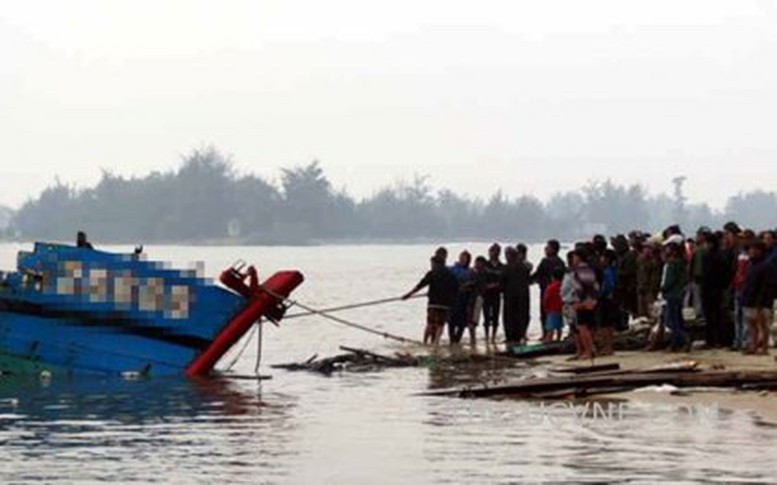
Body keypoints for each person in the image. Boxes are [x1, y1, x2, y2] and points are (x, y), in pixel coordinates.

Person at [402, 255, 459, 345]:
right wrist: (452, 303)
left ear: (436, 264)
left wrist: (409, 294)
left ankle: (425, 342)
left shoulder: (432, 273)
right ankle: (436, 342)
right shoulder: (450, 274)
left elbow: (420, 285)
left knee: (430, 323)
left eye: (432, 263)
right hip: (445, 304)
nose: (431, 265)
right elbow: (456, 289)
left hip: (433, 303)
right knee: (440, 325)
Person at [741, 240, 773, 355]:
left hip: (761, 302)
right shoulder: (751, 265)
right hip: (749, 299)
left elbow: (766, 286)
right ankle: (753, 346)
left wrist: (760, 302)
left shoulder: (766, 266)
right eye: (750, 249)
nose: (751, 251)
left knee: (763, 325)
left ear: (761, 251)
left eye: (754, 249)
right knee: (751, 326)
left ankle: (764, 348)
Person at [531, 239, 566, 341]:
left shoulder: (545, 261)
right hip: (559, 290)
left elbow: (537, 274)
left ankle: (546, 334)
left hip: (547, 289)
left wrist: (527, 280)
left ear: (553, 249)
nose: (545, 249)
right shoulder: (561, 262)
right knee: (558, 313)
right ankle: (557, 335)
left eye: (548, 247)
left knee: (545, 312)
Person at [661, 241, 689, 352]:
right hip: (679, 293)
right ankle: (676, 343)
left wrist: (663, 288)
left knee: (671, 321)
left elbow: (669, 281)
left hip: (672, 294)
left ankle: (683, 340)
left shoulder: (672, 264)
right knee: (677, 319)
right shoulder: (681, 262)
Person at [571, 249, 598, 360]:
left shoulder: (581, 270)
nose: (573, 260)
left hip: (584, 302)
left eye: (574, 257)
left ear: (578, 257)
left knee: (583, 327)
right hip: (589, 301)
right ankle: (591, 348)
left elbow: (582, 288)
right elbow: (595, 287)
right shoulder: (588, 270)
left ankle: (588, 351)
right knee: (587, 327)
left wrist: (581, 302)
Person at [501, 246, 530, 345]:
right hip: (522, 295)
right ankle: (520, 335)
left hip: (510, 295)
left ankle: (510, 337)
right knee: (520, 315)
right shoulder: (523, 267)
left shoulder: (507, 267)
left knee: (509, 316)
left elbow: (502, 281)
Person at [448, 250, 473, 344]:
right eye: (461, 257)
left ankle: (457, 340)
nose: (462, 259)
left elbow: (472, 282)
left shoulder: (470, 271)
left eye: (464, 258)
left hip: (464, 298)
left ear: (468, 260)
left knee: (462, 321)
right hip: (454, 297)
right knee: (452, 320)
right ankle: (451, 339)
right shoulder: (453, 269)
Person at [482, 243, 504, 344]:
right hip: (486, 294)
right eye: (491, 251)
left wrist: (497, 286)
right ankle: (486, 336)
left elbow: (503, 281)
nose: (492, 253)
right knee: (486, 315)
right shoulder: (485, 265)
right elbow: (481, 278)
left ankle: (493, 337)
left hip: (496, 294)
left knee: (495, 315)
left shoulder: (502, 266)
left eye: (494, 251)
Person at [598, 249, 618, 356]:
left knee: (605, 324)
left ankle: (607, 347)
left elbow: (609, 285)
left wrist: (600, 294)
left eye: (602, 257)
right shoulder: (612, 270)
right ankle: (608, 347)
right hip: (611, 299)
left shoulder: (607, 271)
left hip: (606, 299)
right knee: (609, 324)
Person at [542, 267, 565, 343]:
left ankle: (548, 339)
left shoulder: (550, 287)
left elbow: (546, 298)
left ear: (553, 277)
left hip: (551, 309)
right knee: (559, 326)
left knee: (550, 326)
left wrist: (545, 307)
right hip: (560, 308)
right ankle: (558, 338)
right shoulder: (563, 286)